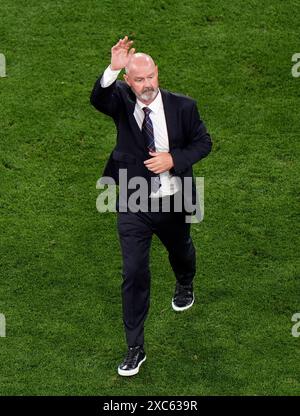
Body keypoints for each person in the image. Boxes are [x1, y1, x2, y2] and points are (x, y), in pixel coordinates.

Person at [90, 36, 212, 376]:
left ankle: (185, 281)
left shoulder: (183, 107)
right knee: (133, 272)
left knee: (181, 250)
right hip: (134, 201)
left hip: (175, 198)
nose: (146, 85)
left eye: (151, 77)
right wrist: (112, 69)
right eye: (139, 79)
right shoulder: (121, 102)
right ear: (129, 82)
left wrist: (173, 158)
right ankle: (135, 347)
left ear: (158, 73)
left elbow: (204, 142)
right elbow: (98, 98)